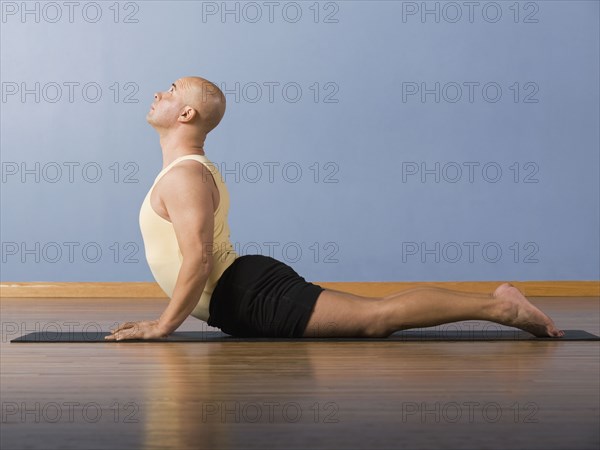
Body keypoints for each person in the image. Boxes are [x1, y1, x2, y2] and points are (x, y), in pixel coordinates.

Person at [105, 76, 565, 341]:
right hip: (238, 296)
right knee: (375, 315)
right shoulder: (184, 171)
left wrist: (163, 327)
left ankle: (501, 307)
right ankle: (497, 304)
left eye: (170, 89)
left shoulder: (185, 176)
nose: (160, 94)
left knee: (375, 319)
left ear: (187, 114)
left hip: (247, 292)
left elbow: (200, 258)